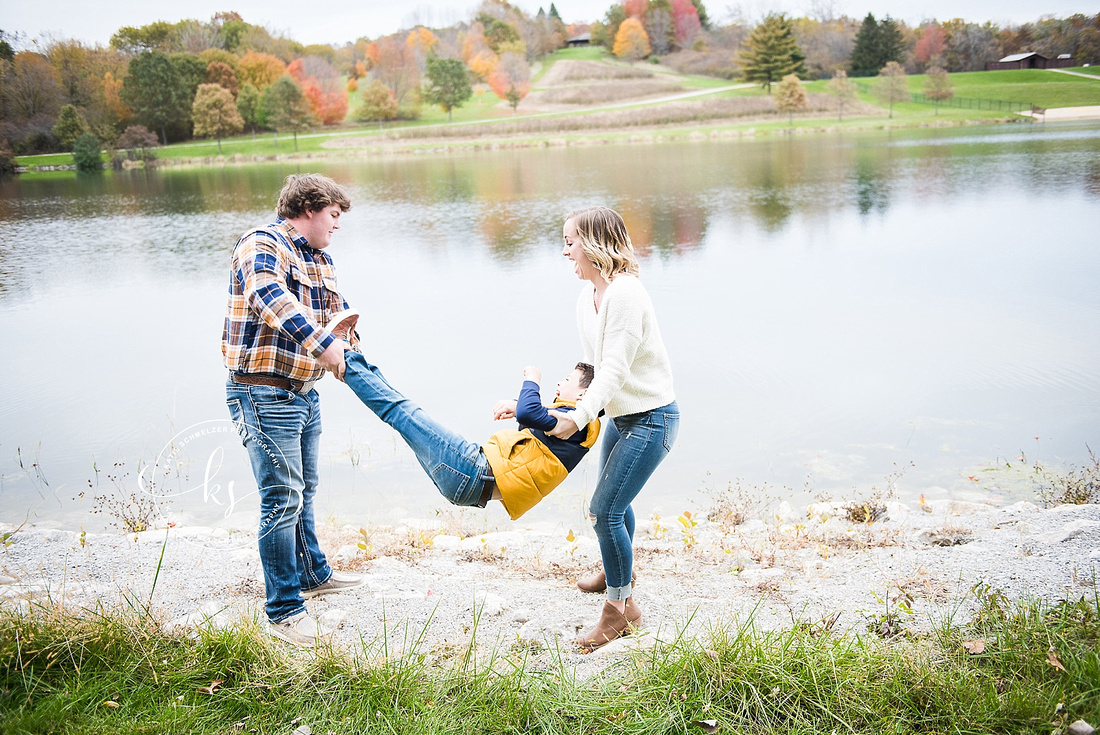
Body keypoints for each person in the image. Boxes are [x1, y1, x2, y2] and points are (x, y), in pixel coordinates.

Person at [222, 174, 364, 647]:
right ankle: (283, 609)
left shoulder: (321, 259)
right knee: (281, 499)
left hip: (303, 392)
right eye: (334, 216)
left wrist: (351, 345)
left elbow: (337, 312)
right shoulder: (262, 243)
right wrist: (323, 343)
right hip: (262, 393)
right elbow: (269, 298)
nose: (337, 226)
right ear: (309, 208)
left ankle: (313, 575)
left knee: (305, 491)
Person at [548, 206, 679, 650]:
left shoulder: (626, 294)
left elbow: (617, 369)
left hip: (652, 418)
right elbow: (592, 368)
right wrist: (547, 407)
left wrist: (578, 418)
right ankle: (617, 568)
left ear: (596, 244)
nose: (565, 252)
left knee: (604, 511)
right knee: (613, 511)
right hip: (623, 418)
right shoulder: (588, 298)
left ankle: (617, 609)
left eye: (570, 242)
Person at [334, 340, 600, 520]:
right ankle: (354, 358)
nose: (560, 383)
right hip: (472, 483)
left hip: (471, 471)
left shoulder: (578, 422)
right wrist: (519, 407)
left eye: (567, 380)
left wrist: (532, 377)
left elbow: (531, 413)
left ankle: (345, 359)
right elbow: (532, 431)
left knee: (400, 409)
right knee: (399, 411)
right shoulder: (575, 427)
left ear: (583, 395)